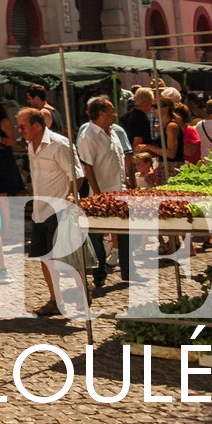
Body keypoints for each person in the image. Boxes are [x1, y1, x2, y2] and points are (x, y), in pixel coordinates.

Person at [17, 107, 87, 316]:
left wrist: (70, 198)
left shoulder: (59, 144)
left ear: (37, 126)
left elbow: (77, 175)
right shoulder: (31, 144)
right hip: (40, 210)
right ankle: (56, 300)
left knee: (66, 257)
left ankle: (83, 294)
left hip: (59, 207)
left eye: (22, 126)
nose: (19, 130)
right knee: (45, 258)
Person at [76, 95, 129, 288]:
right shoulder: (88, 136)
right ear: (100, 113)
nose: (114, 114)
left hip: (118, 188)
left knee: (124, 230)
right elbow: (87, 167)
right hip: (100, 192)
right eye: (111, 110)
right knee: (96, 234)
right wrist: (98, 194)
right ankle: (99, 272)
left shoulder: (112, 132)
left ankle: (127, 270)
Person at [0, 102, 25, 196]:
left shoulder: (4, 122)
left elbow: (13, 141)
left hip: (3, 160)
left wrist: (0, 139)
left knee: (2, 192)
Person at [120, 86, 158, 152]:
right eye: (151, 101)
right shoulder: (143, 120)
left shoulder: (125, 116)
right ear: (146, 102)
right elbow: (137, 143)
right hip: (137, 157)